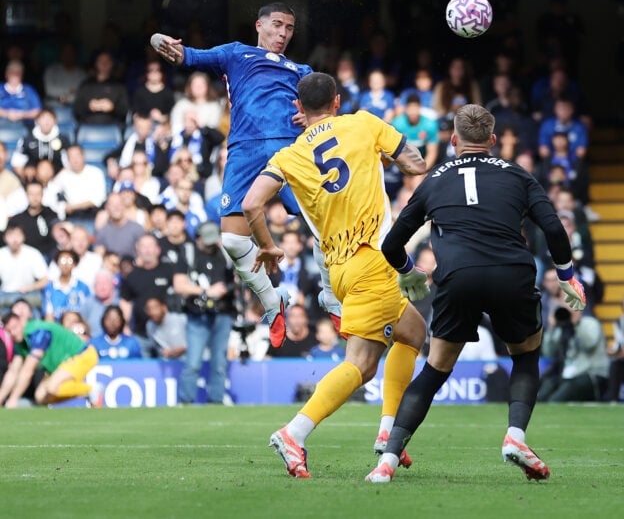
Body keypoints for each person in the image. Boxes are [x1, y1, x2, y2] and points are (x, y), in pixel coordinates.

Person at [366, 102, 586, 484]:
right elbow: (553, 228)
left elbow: (391, 244)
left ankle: (387, 460)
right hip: (511, 275)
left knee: (434, 370)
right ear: (494, 140)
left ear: (453, 140)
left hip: (458, 278)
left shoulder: (435, 179)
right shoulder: (517, 174)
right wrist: (566, 276)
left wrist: (409, 272)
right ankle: (515, 436)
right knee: (526, 355)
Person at [241, 72, 429, 479]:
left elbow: (251, 202)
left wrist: (269, 245)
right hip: (373, 258)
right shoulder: (363, 123)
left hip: (338, 266)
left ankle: (388, 434)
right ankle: (295, 432)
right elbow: (417, 165)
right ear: (338, 101)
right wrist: (383, 155)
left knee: (412, 332)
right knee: (361, 365)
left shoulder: (288, 156)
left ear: (299, 109)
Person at [151, 2, 341, 349]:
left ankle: (330, 296)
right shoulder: (235, 54)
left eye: (289, 29)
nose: (283, 33)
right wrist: (164, 44)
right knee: (234, 241)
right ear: (259, 25)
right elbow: (187, 57)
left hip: (289, 150)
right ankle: (272, 302)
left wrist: (311, 119)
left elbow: (322, 112)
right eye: (277, 25)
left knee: (325, 228)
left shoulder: (302, 69)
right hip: (243, 150)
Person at [173, 220, 236, 405]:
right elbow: (179, 285)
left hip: (223, 313)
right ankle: (185, 401)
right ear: (198, 238)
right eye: (206, 241)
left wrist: (227, 288)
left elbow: (239, 278)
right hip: (197, 314)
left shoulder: (224, 253)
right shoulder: (188, 252)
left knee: (219, 363)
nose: (210, 245)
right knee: (193, 362)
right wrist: (206, 292)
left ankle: (216, 401)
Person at [0, 312, 101, 408]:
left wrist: (13, 399)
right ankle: (87, 393)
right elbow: (13, 371)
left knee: (52, 387)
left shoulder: (37, 332)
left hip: (83, 355)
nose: (13, 333)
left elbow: (27, 370)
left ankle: (92, 390)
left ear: (21, 322)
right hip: (64, 364)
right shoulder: (19, 343)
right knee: (41, 397)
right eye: (9, 331)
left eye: (14, 328)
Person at [144, 296, 187, 360]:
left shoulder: (180, 319)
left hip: (189, 360)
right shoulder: (150, 325)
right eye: (149, 309)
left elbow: (194, 343)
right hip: (167, 362)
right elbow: (157, 347)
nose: (152, 312)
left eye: (155, 307)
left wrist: (176, 351)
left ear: (164, 307)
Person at [0, 61, 42, 126]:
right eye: (12, 72)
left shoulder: (29, 90)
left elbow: (37, 111)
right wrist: (7, 114)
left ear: (21, 75)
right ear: (6, 74)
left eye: (17, 73)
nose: (14, 75)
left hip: (25, 125)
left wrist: (22, 115)